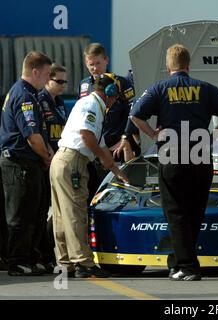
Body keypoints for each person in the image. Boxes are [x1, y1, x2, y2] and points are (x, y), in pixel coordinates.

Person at [128, 44, 218, 281]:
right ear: (188, 65)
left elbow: (136, 115)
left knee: (175, 211)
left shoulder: (159, 88)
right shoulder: (206, 88)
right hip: (200, 154)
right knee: (195, 211)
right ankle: (177, 262)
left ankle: (188, 266)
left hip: (172, 155)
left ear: (168, 66)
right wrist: (214, 136)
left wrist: (152, 134)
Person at [50, 73, 129, 278]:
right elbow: (87, 136)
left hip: (62, 160)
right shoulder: (93, 104)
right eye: (115, 97)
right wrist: (105, 160)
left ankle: (66, 261)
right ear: (110, 93)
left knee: (62, 215)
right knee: (76, 213)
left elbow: (100, 144)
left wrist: (117, 172)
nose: (114, 102)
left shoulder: (88, 104)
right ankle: (84, 263)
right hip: (74, 162)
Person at [0, 51, 53, 276]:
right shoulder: (24, 96)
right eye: (47, 75)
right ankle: (17, 261)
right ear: (35, 72)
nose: (48, 80)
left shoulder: (30, 94)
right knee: (20, 215)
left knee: (35, 212)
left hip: (29, 164)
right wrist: (47, 156)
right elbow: (33, 137)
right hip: (19, 163)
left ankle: (30, 257)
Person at [79, 43, 139, 200]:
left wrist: (124, 139)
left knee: (118, 194)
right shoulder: (84, 85)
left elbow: (133, 113)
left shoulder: (120, 83)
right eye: (90, 64)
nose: (94, 68)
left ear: (106, 60)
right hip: (93, 148)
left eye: (98, 63)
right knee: (93, 194)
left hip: (116, 148)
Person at [36, 63, 69, 272]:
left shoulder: (60, 102)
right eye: (59, 81)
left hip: (58, 160)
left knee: (54, 212)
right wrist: (47, 155)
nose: (64, 85)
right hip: (44, 161)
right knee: (42, 212)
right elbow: (39, 132)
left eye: (66, 81)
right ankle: (40, 254)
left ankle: (47, 254)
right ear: (48, 79)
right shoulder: (40, 100)